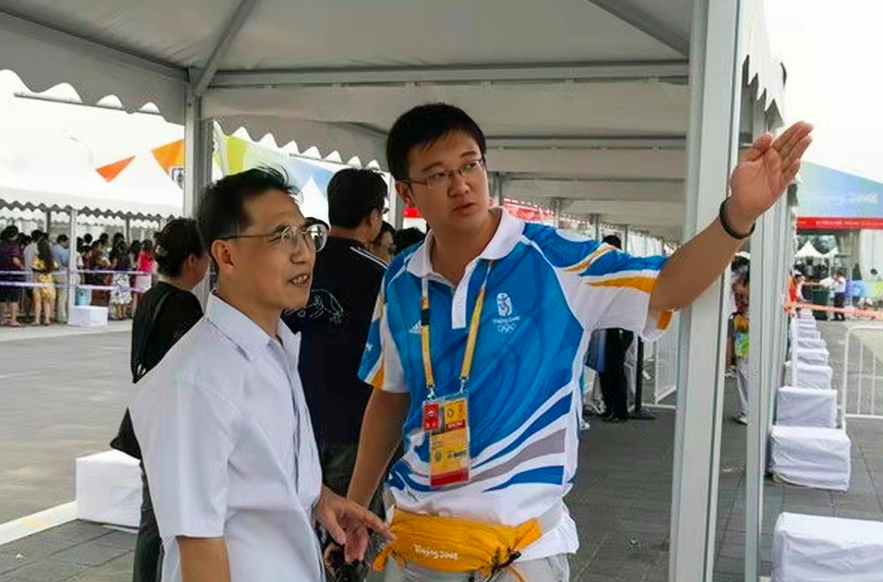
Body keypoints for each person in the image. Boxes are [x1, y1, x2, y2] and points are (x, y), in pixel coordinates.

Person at [347, 103, 811, 581]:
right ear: (407, 192)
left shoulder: (556, 260)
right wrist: (356, 505)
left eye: (470, 165)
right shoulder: (400, 279)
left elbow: (670, 286)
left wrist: (737, 216)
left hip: (521, 552)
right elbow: (389, 398)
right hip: (416, 543)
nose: (460, 185)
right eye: (438, 174)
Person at [130, 168, 390, 582]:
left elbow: (258, 471)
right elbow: (200, 552)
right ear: (226, 255)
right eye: (282, 236)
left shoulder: (276, 347)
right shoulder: (194, 384)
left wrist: (318, 499)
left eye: (306, 233)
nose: (304, 253)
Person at [283, 168, 388, 582]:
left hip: (302, 422)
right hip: (357, 425)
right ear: (373, 217)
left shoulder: (303, 267)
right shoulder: (381, 276)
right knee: (349, 535)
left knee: (300, 527)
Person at [110, 219, 210, 582]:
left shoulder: (152, 297)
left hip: (148, 419)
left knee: (153, 517)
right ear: (191, 261)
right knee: (161, 520)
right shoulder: (184, 307)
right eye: (206, 255)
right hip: (171, 426)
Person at [596, 234, 634, 424]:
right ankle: (609, 407)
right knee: (604, 368)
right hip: (605, 325)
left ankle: (620, 411)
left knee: (616, 369)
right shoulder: (604, 268)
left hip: (620, 326)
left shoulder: (625, 268)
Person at [727, 276, 750, 425]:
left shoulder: (746, 286)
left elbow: (745, 302)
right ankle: (746, 409)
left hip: (745, 327)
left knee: (742, 368)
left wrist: (741, 291)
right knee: (743, 368)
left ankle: (747, 411)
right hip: (743, 326)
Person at [0, 225, 24, 327]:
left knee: (2, 298)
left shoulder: (1, 245)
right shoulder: (14, 246)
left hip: (2, 273)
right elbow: (15, 259)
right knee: (14, 298)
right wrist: (22, 267)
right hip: (13, 274)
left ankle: (2, 319)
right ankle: (13, 320)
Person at [31, 237, 58, 326]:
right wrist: (47, 271)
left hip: (38, 281)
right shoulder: (50, 258)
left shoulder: (37, 257)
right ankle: (47, 320)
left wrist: (40, 271)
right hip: (48, 281)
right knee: (47, 302)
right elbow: (56, 267)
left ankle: (37, 320)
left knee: (38, 302)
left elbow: (34, 268)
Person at [110, 240, 133, 320]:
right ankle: (123, 314)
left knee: (117, 295)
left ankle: (119, 314)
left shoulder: (117, 256)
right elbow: (130, 268)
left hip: (117, 276)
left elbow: (113, 266)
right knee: (125, 295)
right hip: (125, 277)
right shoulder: (127, 257)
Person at [52, 235, 71, 323]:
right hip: (61, 273)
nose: (68, 244)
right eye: (67, 242)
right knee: (62, 296)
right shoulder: (63, 250)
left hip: (52, 273)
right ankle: (61, 316)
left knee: (52, 296)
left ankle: (51, 314)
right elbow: (65, 262)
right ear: (62, 241)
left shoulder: (52, 248)